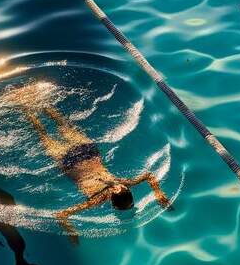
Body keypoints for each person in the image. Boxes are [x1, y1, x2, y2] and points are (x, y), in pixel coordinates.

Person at [16, 98, 170, 235]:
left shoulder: (123, 183)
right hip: (69, 162)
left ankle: (39, 99)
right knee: (43, 133)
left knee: (61, 122)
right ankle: (24, 107)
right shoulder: (97, 200)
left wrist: (159, 193)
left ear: (127, 191)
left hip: (88, 152)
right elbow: (62, 214)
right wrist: (71, 231)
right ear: (112, 204)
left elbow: (149, 176)